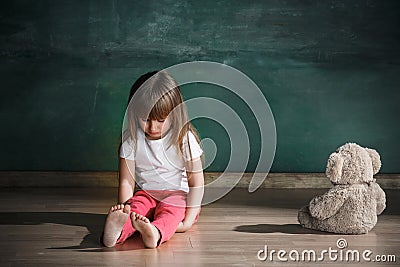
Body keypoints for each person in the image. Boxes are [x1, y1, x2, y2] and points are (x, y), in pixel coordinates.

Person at [102, 70, 204, 248]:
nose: (153, 127)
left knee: (172, 212)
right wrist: (126, 210)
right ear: (134, 114)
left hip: (178, 195)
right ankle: (115, 234)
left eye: (160, 120)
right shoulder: (131, 140)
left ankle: (154, 233)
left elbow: (196, 183)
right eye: (145, 119)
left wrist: (188, 221)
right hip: (147, 193)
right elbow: (127, 183)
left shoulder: (184, 139)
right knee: (136, 208)